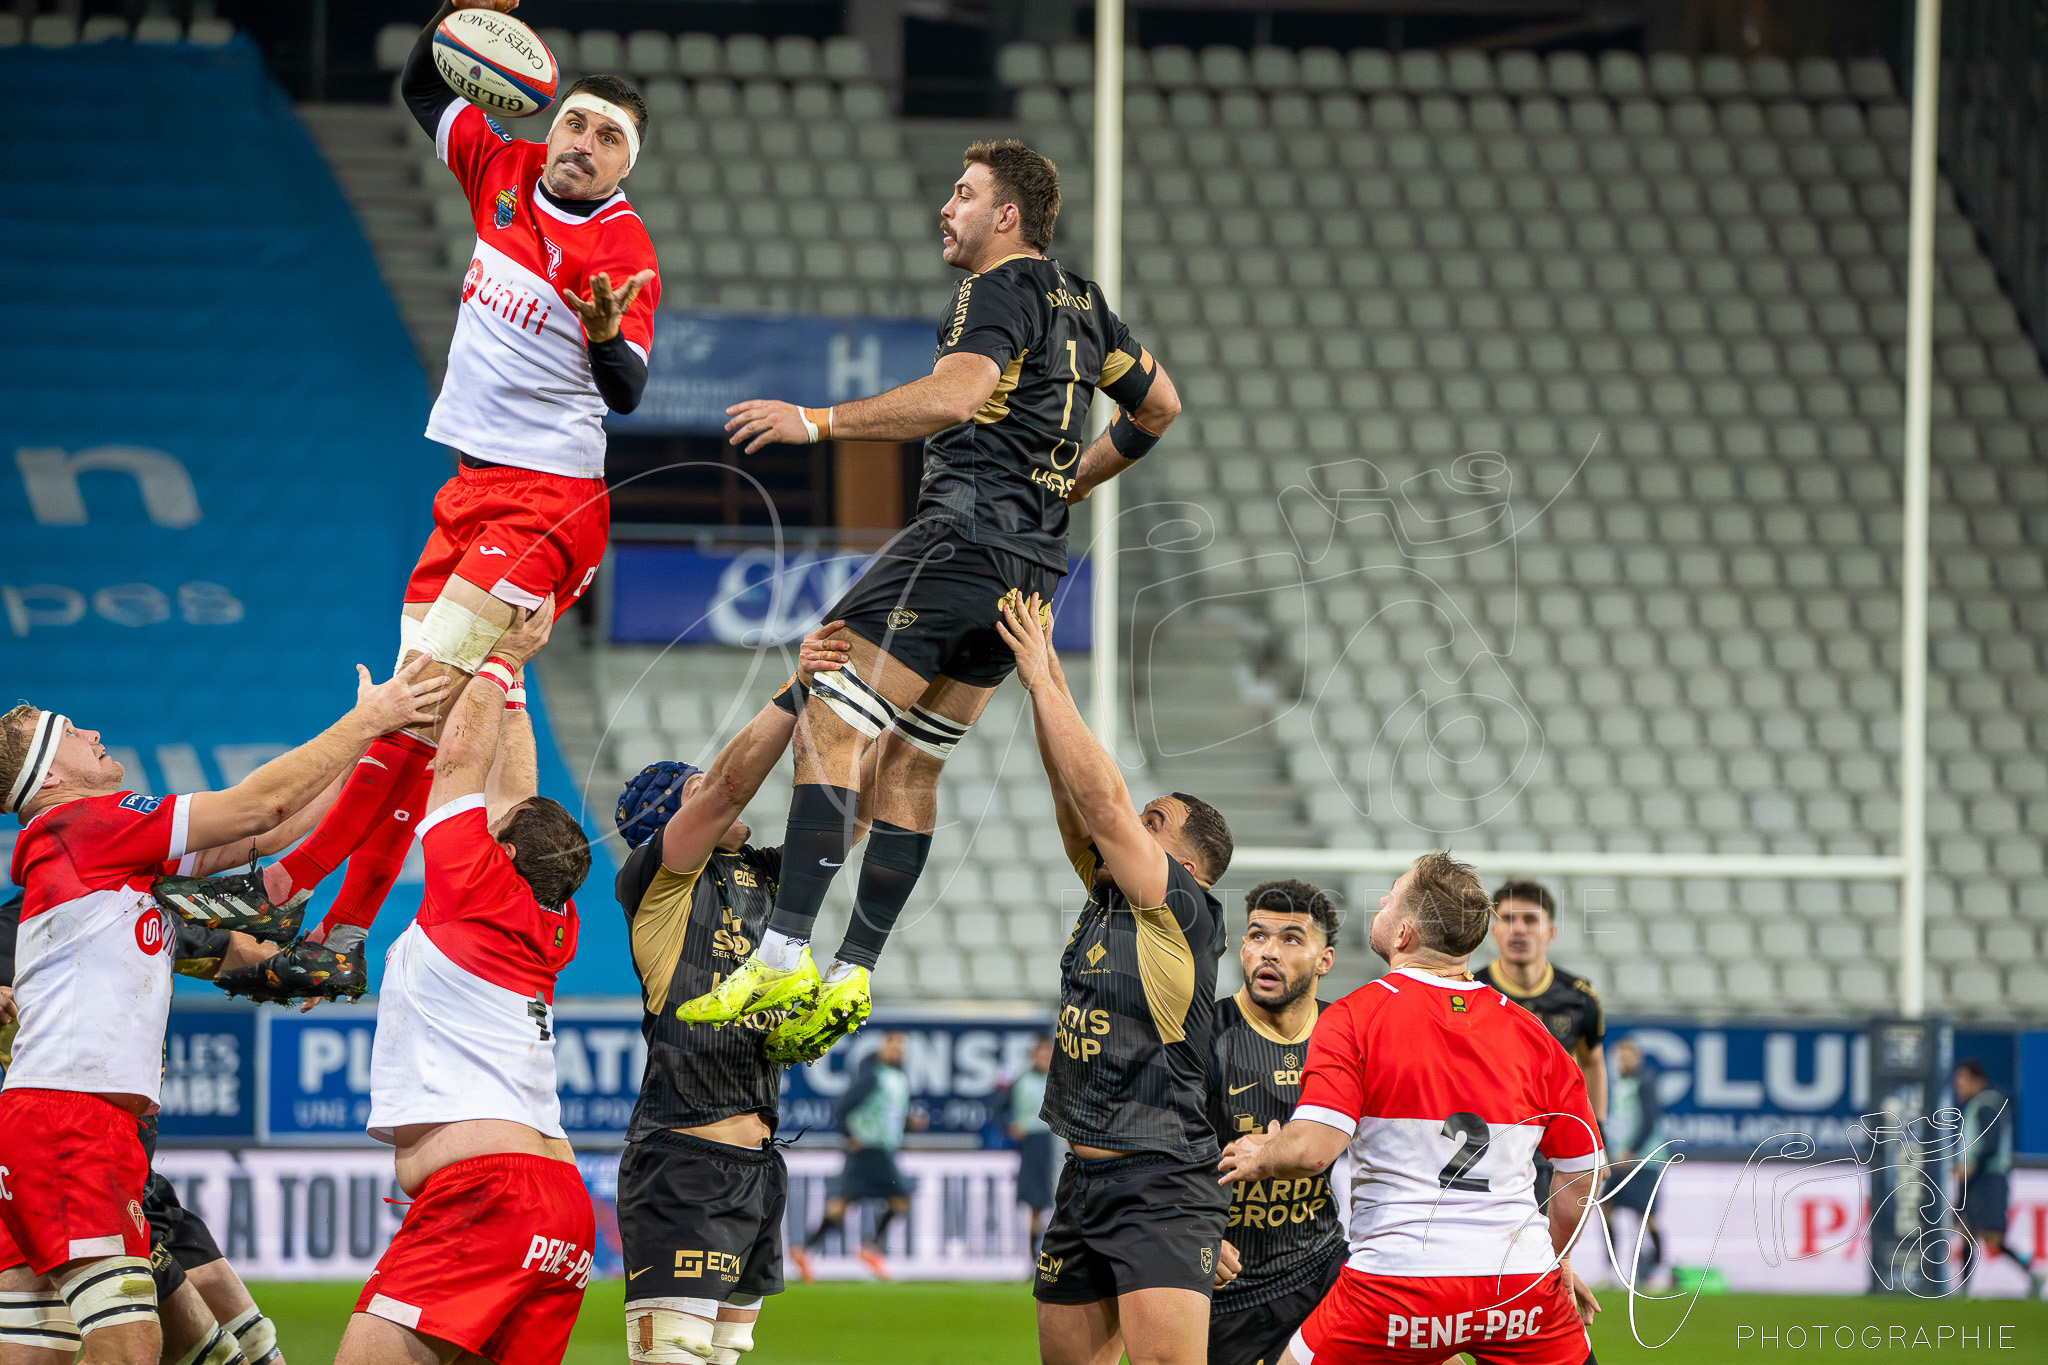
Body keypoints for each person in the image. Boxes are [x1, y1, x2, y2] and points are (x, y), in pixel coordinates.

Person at [161, 0, 660, 961]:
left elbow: (629, 388)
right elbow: (423, 86)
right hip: (471, 491)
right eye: (577, 123)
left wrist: (603, 336)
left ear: (626, 164)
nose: (585, 144)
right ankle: (344, 936)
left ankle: (283, 887)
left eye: (610, 138)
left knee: (413, 697)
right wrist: (455, 16)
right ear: (548, 125)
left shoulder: (622, 248)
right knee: (417, 715)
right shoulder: (503, 169)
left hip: (548, 503)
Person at [679, 137, 1184, 1062]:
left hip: (959, 540)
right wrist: (1070, 484)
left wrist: (816, 421)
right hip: (1032, 569)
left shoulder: (995, 289)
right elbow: (1160, 408)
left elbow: (960, 396)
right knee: (912, 768)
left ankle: (783, 952)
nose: (944, 209)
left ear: (1007, 217)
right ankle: (852, 970)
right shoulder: (1089, 305)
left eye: (963, 194)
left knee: (829, 722)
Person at [0, 665, 444, 1365]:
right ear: (49, 778)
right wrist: (369, 719)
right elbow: (255, 807)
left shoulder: (105, 853)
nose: (91, 732)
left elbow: (268, 832)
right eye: (69, 735)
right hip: (71, 1122)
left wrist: (371, 747)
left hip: (70, 1121)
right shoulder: (84, 824)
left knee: (37, 1352)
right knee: (134, 1344)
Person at [336, 603, 598, 1365]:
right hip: (559, 1208)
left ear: (502, 855)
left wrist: (493, 660)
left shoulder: (476, 888)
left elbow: (457, 768)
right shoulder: (553, 920)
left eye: (495, 832)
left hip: (488, 1193)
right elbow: (515, 794)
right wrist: (513, 688)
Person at [1217, 852, 1605, 1365]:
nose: (1380, 901)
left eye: (1391, 895)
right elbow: (1581, 1174)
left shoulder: (1357, 1015)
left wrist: (1262, 1155)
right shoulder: (1534, 1033)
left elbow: (1313, 1150)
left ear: (1402, 934)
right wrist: (1557, 1262)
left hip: (1401, 1285)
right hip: (1519, 1286)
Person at [995, 592, 1236, 1365]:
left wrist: (1039, 676)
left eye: (1153, 822)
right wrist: (1047, 669)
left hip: (1161, 1181)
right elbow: (1077, 803)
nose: (1134, 824)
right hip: (1084, 1173)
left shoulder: (1185, 910)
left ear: (1186, 865)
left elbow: (1102, 802)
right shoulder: (1108, 892)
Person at [609, 624, 847, 1365]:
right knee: (673, 1355)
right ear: (665, 818)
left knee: (719, 1357)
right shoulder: (657, 879)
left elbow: (845, 817)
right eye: (693, 785)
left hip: (759, 1165)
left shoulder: (764, 876)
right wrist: (798, 684)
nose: (714, 783)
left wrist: (870, 713)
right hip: (682, 1156)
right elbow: (728, 786)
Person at [0, 901, 286, 1365]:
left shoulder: (138, 907)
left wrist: (295, 968)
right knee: (202, 1353)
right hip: (67, 1153)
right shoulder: (16, 926)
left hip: (128, 1158)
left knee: (246, 1347)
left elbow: (228, 948)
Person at [1208, 880, 1346, 1365]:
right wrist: (1192, 1233)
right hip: (1224, 1284)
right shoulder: (1202, 1035)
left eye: (1290, 939)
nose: (1269, 951)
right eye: (1257, 935)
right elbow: (1157, 1152)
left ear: (1324, 959)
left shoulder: (1346, 1037)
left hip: (1324, 1269)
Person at [1476, 881, 1606, 1211]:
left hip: (1551, 1146)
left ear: (1550, 932)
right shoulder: (1471, 993)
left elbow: (1592, 1063)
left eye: (1530, 920)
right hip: (1488, 1146)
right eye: (1507, 919)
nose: (1518, 929)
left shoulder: (1579, 997)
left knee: (1550, 1247)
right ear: (1494, 931)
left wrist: (1596, 1136)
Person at [792, 1032, 924, 1282]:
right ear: (881, 1048)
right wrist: (850, 1134)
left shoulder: (897, 1078)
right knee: (900, 1198)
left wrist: (909, 1122)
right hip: (870, 1148)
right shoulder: (873, 1077)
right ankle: (869, 1247)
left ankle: (805, 1249)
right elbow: (843, 1108)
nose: (897, 1051)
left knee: (843, 1203)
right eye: (892, 1045)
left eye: (901, 1046)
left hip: (881, 1148)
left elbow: (886, 1112)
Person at [1954, 1058, 2042, 1298]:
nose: (1958, 1085)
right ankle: (1962, 1290)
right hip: (1977, 1179)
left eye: (1962, 1079)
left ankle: (2030, 1270)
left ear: (1976, 1081)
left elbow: (1988, 1144)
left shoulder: (1986, 1105)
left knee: (1991, 1237)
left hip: (1988, 1179)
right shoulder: (1978, 1105)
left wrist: (1971, 1166)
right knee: (1965, 1231)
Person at [1601, 1037, 1670, 1294]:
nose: (1623, 1061)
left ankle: (1658, 1269)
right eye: (1620, 1056)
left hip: (1645, 1159)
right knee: (1606, 1208)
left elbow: (1650, 1119)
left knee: (1647, 1218)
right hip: (1621, 1159)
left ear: (1638, 1058)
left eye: (1628, 1056)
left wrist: (1631, 1150)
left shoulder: (1645, 1082)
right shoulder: (1617, 1086)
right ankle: (1611, 1270)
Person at [1009, 1035, 1058, 1258]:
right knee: (1035, 1201)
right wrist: (1011, 1124)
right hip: (1032, 1143)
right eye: (1042, 1052)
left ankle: (1055, 1252)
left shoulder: (1059, 1081)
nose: (1045, 1057)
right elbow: (999, 1108)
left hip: (1056, 1143)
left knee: (1056, 1195)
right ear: (1033, 1055)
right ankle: (1033, 1257)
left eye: (1049, 1053)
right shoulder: (1022, 1081)